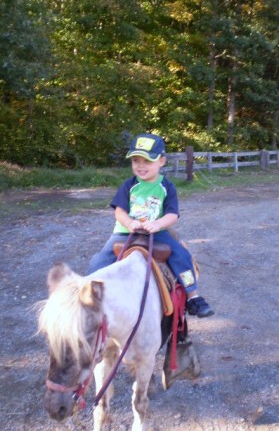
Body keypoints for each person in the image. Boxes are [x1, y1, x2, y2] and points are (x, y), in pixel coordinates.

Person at [88, 133, 214, 318]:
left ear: (161, 161)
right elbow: (119, 211)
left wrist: (157, 224)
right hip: (125, 233)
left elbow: (172, 214)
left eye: (147, 161)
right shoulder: (128, 185)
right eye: (136, 160)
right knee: (99, 260)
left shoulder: (166, 187)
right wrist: (130, 223)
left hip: (156, 233)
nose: (140, 165)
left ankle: (193, 295)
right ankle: (87, 295)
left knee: (182, 257)